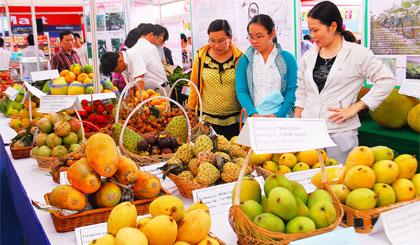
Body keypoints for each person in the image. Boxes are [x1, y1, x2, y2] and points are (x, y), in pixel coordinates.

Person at [294, 1, 395, 163]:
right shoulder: (309, 56)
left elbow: (387, 80)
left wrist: (357, 107)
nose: (311, 35)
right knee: (310, 181)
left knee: (339, 182)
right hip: (310, 131)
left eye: (315, 30)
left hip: (340, 133)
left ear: (333, 26)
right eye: (310, 30)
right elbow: (302, 91)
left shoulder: (358, 54)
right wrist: (297, 123)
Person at [188, 19, 243, 140]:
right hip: (208, 119)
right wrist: (191, 109)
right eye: (212, 41)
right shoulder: (201, 57)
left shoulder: (239, 58)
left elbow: (245, 88)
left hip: (234, 119)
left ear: (230, 38)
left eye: (221, 41)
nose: (216, 45)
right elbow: (194, 85)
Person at [236, 14, 298, 121]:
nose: (254, 41)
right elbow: (241, 90)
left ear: (272, 34)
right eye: (251, 37)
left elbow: (292, 90)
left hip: (281, 118)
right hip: (254, 117)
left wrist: (279, 115)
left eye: (259, 37)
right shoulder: (244, 61)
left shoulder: (288, 59)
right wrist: (253, 114)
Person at [100, 23, 169, 92]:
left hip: (159, 90)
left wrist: (140, 99)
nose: (119, 72)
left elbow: (140, 80)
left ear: (120, 61)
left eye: (117, 70)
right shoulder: (125, 63)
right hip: (149, 91)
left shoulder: (134, 54)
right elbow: (132, 84)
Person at [111, 28, 142, 92]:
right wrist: (115, 79)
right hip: (123, 82)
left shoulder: (130, 48)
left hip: (128, 83)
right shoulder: (125, 50)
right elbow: (118, 65)